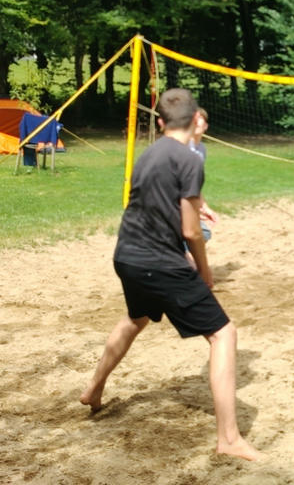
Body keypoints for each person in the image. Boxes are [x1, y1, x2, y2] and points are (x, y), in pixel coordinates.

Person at [79, 88, 261, 461]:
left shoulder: (147, 154)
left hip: (126, 256)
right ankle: (229, 439)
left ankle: (93, 389)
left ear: (160, 122)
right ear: (197, 120)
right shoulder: (189, 157)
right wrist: (205, 273)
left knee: (135, 318)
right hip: (158, 261)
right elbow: (191, 231)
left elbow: (155, 209)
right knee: (224, 334)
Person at [185, 107, 218, 270]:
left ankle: (182, 258)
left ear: (206, 126)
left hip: (189, 198)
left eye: (200, 120)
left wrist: (205, 207)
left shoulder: (201, 149)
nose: (197, 123)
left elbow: (195, 183)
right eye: (194, 120)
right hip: (176, 199)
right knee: (195, 233)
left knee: (204, 232)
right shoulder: (183, 146)